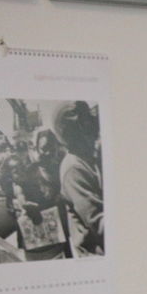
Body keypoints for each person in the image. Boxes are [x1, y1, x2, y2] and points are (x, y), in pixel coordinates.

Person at [54, 101, 104, 256]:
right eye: (86, 126)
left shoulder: (90, 159)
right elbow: (98, 222)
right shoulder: (74, 168)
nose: (94, 132)